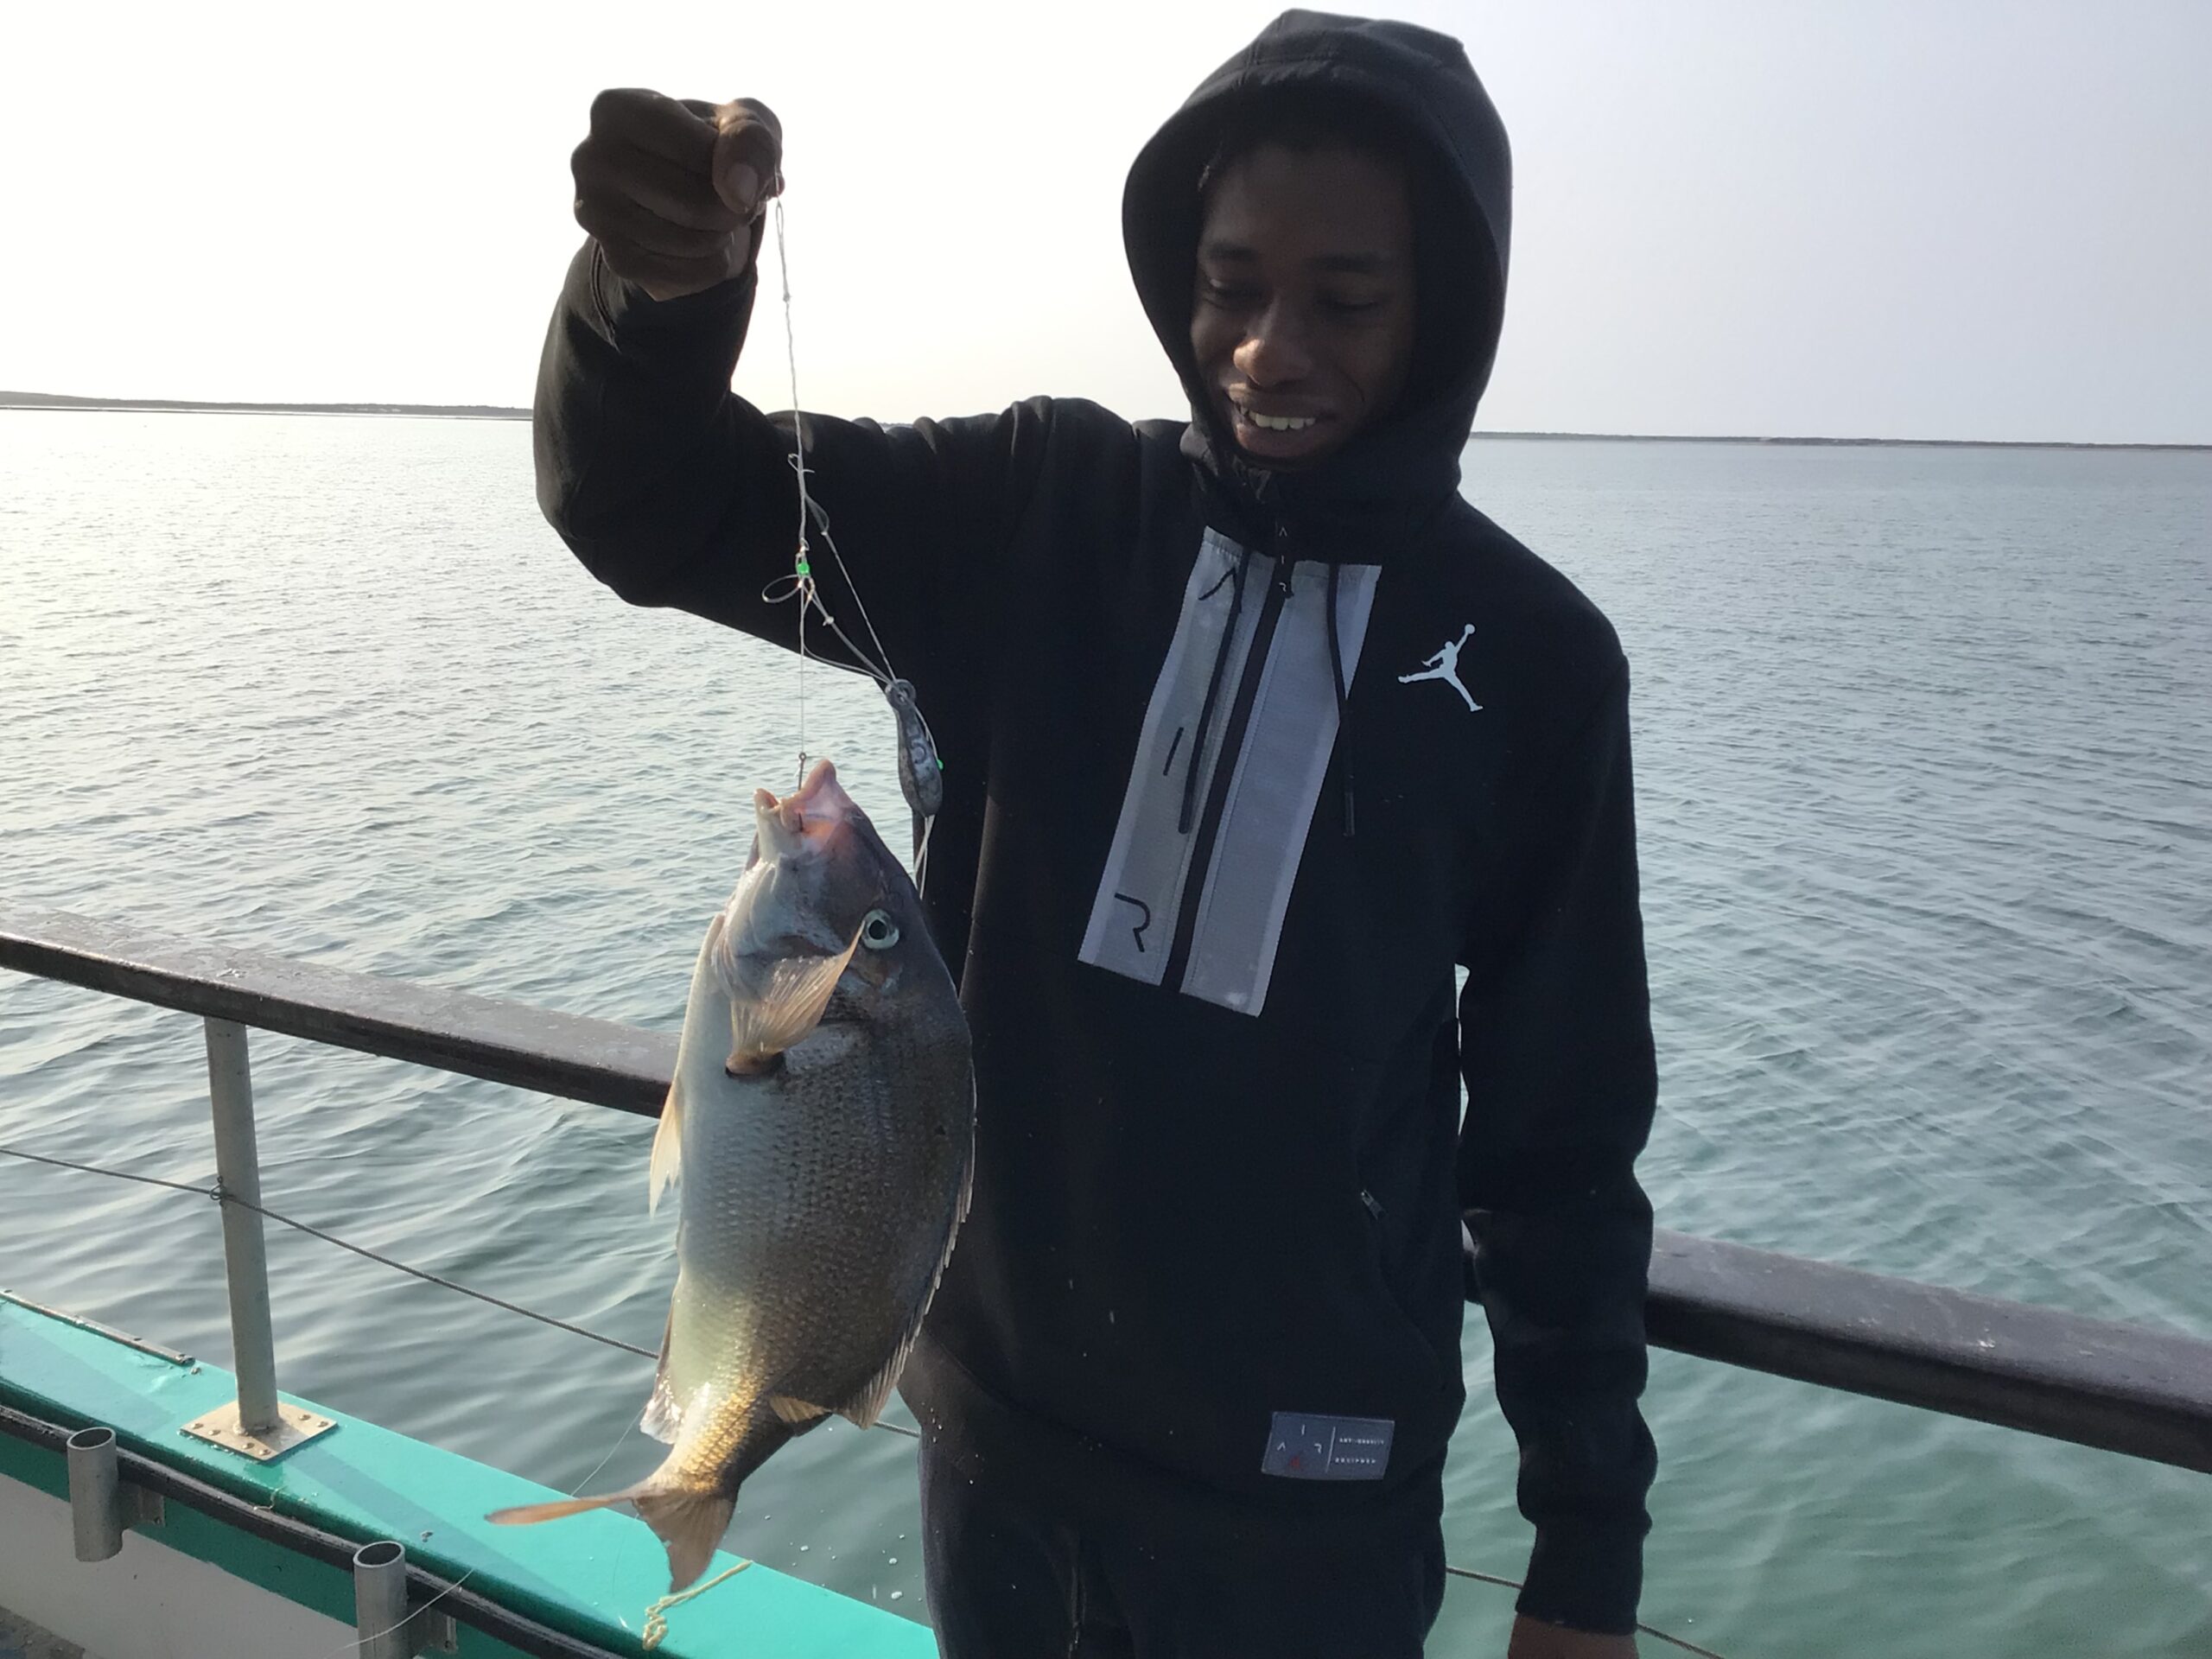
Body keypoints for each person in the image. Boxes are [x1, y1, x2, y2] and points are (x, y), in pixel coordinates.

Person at [537, 10, 1658, 1656]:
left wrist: (1586, 1566)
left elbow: (1560, 1151)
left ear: (1444, 312)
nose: (1273, 346)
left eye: (1347, 299)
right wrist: (661, 294)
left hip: (1316, 1523)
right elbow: (658, 509)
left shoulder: (1535, 663)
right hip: (996, 1457)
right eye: (1230, 283)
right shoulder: (1036, 514)